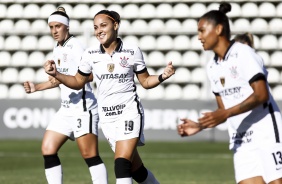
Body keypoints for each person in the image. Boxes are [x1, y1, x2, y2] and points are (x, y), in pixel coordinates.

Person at [44, 9, 175, 184]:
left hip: (129, 113)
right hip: (107, 119)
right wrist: (57, 74)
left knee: (121, 165)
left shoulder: (132, 51)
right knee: (137, 171)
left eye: (103, 25)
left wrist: (162, 76)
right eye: (96, 27)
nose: (99, 30)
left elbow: (145, 81)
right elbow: (77, 81)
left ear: (116, 25)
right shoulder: (90, 55)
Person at [177, 2, 282, 184]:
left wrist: (225, 113)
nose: (199, 37)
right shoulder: (212, 66)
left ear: (218, 29)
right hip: (242, 140)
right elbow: (222, 110)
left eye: (202, 30)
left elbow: (261, 94)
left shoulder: (244, 53)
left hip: (266, 135)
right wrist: (200, 125)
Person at [23, 7, 108, 184]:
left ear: (66, 27)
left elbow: (90, 73)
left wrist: (72, 78)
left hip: (83, 107)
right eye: (51, 27)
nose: (54, 31)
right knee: (48, 148)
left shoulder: (75, 47)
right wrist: (36, 87)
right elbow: (60, 79)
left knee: (89, 155)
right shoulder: (58, 48)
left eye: (58, 26)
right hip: (66, 108)